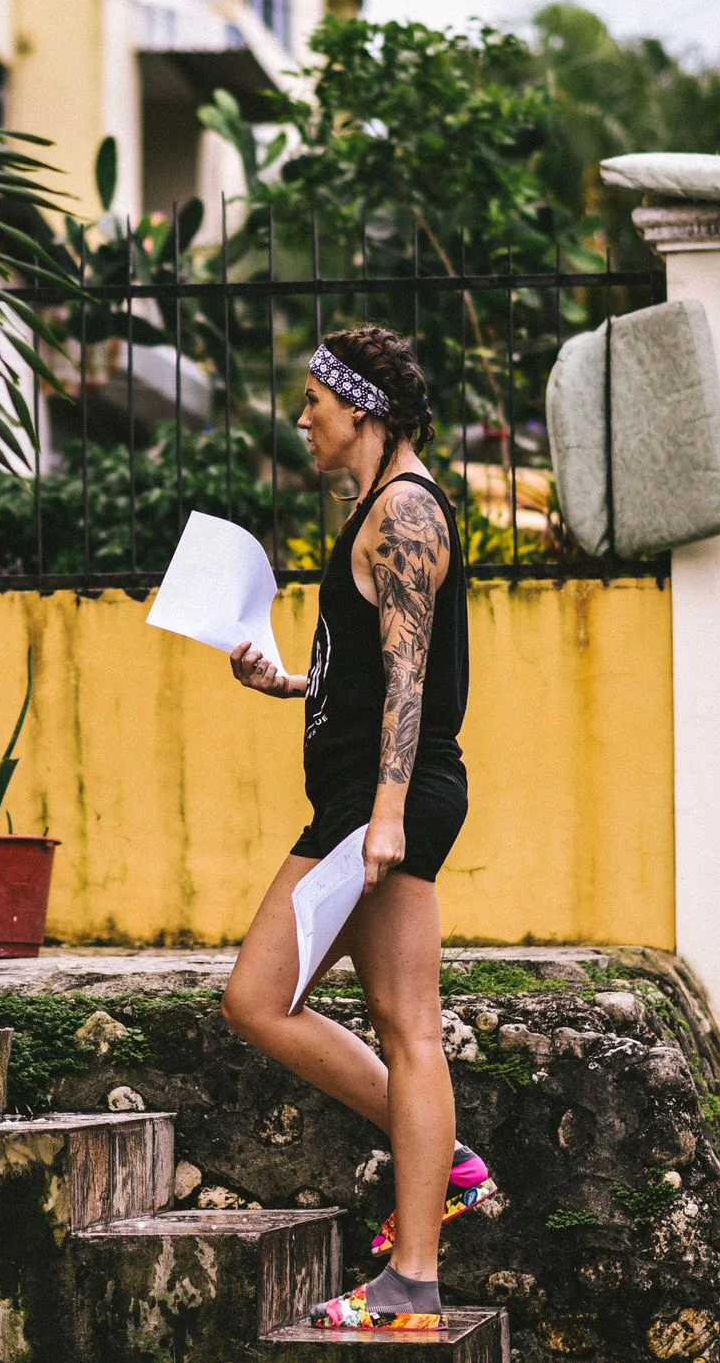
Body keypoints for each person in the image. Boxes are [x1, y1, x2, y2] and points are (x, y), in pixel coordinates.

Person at [218, 325, 489, 1332]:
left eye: (315, 403)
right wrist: (294, 683)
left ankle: (413, 1277)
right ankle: (441, 1171)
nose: (303, 421)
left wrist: (384, 816)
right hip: (363, 795)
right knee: (285, 1004)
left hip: (385, 800)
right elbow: (372, 669)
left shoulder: (405, 510)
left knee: (384, 1023)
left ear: (363, 409)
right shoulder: (381, 509)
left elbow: (412, 680)